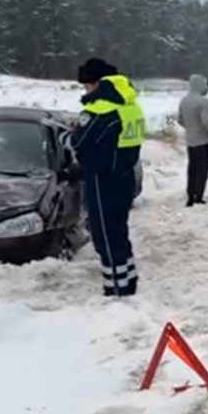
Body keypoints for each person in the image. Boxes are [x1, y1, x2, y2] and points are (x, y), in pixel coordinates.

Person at [68, 57, 144, 296]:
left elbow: (78, 141)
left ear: (97, 83)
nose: (86, 90)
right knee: (119, 231)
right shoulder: (131, 107)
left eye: (88, 85)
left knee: (104, 235)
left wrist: (69, 134)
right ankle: (128, 279)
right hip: (125, 175)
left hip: (102, 179)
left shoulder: (100, 110)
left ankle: (116, 289)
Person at [177, 74, 208, 206]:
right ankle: (199, 194)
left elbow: (180, 119)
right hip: (202, 140)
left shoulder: (184, 100)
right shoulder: (202, 101)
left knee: (192, 168)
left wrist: (189, 128)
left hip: (190, 139)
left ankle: (190, 193)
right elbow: (206, 122)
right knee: (202, 169)